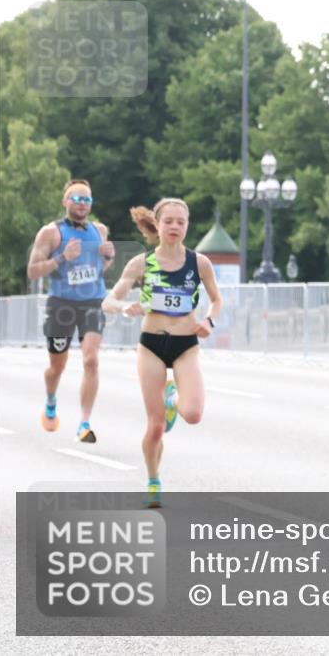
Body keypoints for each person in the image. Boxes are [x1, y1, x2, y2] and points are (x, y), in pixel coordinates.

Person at [102, 199, 222, 508]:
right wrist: (124, 307)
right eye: (168, 221)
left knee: (193, 414)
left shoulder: (199, 263)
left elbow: (216, 300)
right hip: (152, 346)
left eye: (181, 222)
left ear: (187, 226)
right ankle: (153, 479)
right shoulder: (141, 263)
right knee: (155, 427)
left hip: (186, 345)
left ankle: (173, 399)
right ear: (157, 225)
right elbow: (108, 301)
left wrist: (209, 321)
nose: (174, 227)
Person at [26, 179, 115, 443]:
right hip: (61, 304)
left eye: (87, 199)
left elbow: (99, 270)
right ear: (65, 201)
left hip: (92, 302)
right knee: (57, 366)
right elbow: (33, 271)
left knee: (91, 360)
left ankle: (84, 424)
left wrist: (108, 258)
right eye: (76, 198)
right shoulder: (50, 233)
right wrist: (63, 257)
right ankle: (51, 400)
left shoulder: (100, 230)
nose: (82, 203)